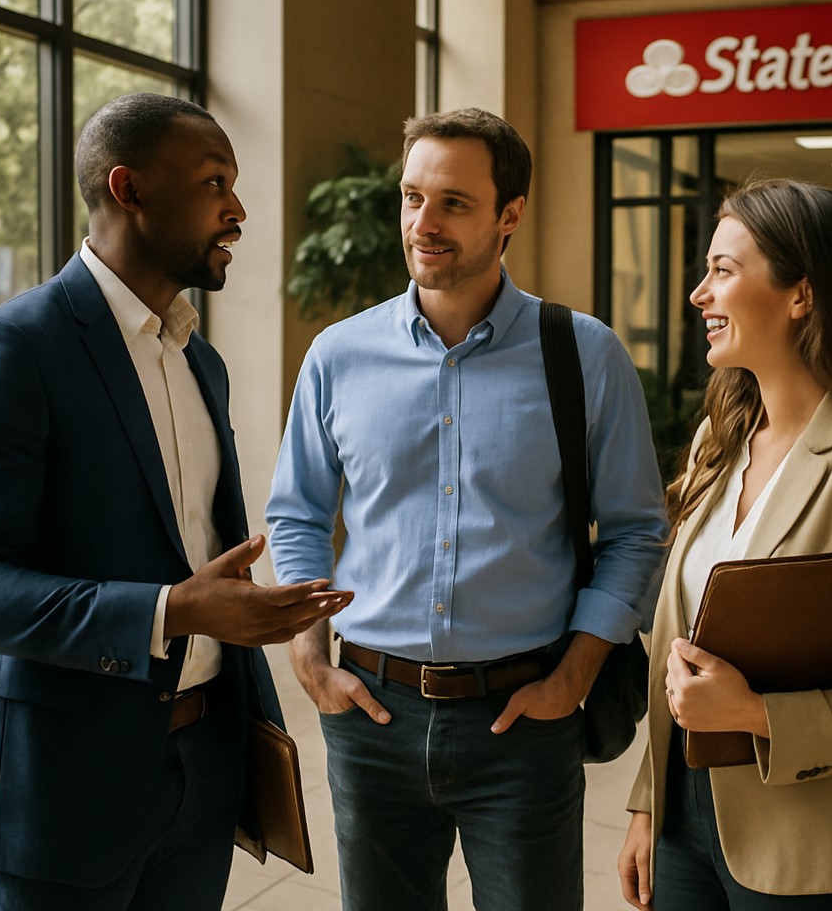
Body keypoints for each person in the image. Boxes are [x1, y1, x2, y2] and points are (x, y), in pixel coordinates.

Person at [0, 93, 351, 910]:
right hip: (61, 786)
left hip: (202, 770)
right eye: (213, 184)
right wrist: (171, 611)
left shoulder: (201, 360)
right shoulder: (15, 348)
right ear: (128, 189)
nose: (238, 211)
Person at [265, 107, 667, 911]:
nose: (424, 222)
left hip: (522, 718)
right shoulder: (339, 355)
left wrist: (573, 677)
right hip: (370, 714)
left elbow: (634, 532)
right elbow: (299, 515)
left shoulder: (583, 354)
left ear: (509, 214)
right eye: (413, 197)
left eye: (453, 202)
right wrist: (310, 660)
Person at [617, 179, 832, 910]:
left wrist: (757, 716)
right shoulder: (720, 439)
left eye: (723, 270)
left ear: (801, 295)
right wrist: (650, 804)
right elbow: (679, 645)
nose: (699, 294)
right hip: (686, 820)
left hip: (820, 845)